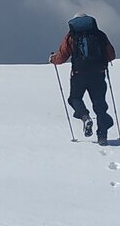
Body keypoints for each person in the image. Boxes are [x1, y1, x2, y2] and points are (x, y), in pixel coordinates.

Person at [49, 13, 116, 144]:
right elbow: (111, 55)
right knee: (99, 104)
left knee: (74, 98)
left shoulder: (71, 36)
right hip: (98, 73)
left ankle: (85, 117)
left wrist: (53, 59)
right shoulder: (99, 34)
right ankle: (102, 137)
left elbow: (62, 56)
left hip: (79, 73)